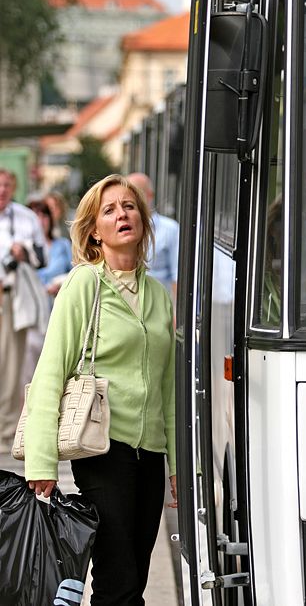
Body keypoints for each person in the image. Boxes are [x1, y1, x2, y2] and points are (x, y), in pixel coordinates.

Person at [23, 174, 177, 606]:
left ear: (143, 220)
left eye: (129, 206)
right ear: (94, 230)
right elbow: (50, 374)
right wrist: (41, 463)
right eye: (109, 210)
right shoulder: (83, 285)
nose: (122, 214)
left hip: (149, 455)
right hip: (102, 451)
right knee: (118, 579)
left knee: (133, 576)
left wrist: (181, 466)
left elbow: (169, 387)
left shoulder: (158, 294)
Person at [0, 169, 47, 453]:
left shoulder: (25, 218)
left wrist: (23, 252)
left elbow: (42, 258)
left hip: (11, 298)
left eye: (6, 185)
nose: (2, 190)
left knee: (10, 365)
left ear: (13, 187)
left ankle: (5, 431)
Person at [22, 199, 73, 385]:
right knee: (27, 371)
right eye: (35, 215)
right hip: (30, 315)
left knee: (54, 367)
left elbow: (75, 272)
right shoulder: (22, 248)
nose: (40, 220)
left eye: (44, 215)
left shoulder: (62, 245)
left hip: (56, 311)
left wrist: (60, 283)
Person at [127, 172, 179, 304]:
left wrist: (177, 318)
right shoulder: (119, 228)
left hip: (158, 307)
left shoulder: (170, 229)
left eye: (136, 194)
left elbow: (177, 276)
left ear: (150, 195)